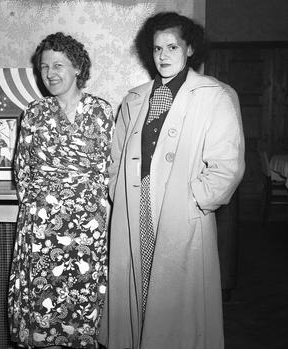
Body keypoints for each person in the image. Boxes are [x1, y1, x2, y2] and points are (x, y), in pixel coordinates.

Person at [98, 12, 245, 349]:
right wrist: (115, 190)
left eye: (172, 47)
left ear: (190, 49)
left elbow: (227, 164)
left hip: (182, 210)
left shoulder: (214, 95)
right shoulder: (134, 98)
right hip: (135, 209)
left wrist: (196, 199)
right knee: (140, 289)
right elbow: (115, 159)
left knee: (175, 302)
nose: (163, 56)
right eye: (157, 48)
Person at [8, 32, 114, 348]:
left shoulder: (101, 111)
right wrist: (42, 210)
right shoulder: (34, 113)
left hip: (86, 226)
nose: (50, 74)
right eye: (44, 67)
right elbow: (22, 172)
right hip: (40, 226)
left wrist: (93, 210)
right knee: (41, 302)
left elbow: (108, 168)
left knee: (83, 299)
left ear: (78, 68)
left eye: (59, 65)